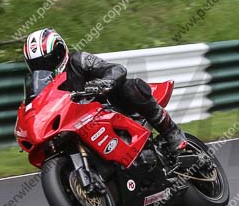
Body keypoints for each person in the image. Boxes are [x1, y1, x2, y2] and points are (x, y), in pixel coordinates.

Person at [22, 28, 187, 155]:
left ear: (61, 51)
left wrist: (104, 83)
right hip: (77, 126)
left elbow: (117, 69)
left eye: (50, 60)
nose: (46, 67)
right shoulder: (43, 88)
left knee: (130, 86)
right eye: (38, 65)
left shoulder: (78, 60)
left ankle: (170, 131)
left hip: (109, 108)